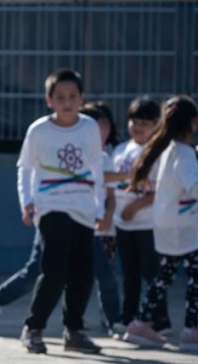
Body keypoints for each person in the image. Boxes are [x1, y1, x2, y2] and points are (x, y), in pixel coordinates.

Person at [123, 95, 198, 351]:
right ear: (193, 122)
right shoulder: (181, 153)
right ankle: (190, 329)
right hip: (181, 227)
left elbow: (191, 169)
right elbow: (196, 185)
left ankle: (141, 323)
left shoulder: (173, 150)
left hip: (168, 224)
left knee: (165, 275)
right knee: (197, 274)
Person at [16, 68, 106, 355]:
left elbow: (97, 168)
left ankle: (74, 331)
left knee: (83, 273)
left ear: (82, 98)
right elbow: (26, 168)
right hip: (51, 206)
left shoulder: (89, 127)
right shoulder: (39, 130)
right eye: (60, 97)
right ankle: (34, 328)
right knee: (54, 269)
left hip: (83, 207)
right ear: (49, 100)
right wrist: (27, 201)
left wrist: (100, 206)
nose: (67, 102)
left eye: (72, 96)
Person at [110, 97, 172, 337]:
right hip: (122, 225)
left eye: (144, 122)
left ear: (157, 125)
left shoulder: (158, 153)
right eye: (133, 121)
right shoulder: (120, 150)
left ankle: (160, 318)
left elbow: (160, 191)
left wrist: (135, 207)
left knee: (152, 273)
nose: (137, 127)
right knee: (130, 274)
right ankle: (129, 317)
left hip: (147, 224)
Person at [79, 102, 121, 337]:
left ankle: (112, 320)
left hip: (104, 228)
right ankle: (75, 320)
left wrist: (107, 215)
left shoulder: (107, 155)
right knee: (80, 277)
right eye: (96, 126)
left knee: (107, 276)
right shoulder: (80, 152)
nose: (101, 130)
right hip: (82, 224)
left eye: (104, 125)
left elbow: (111, 192)